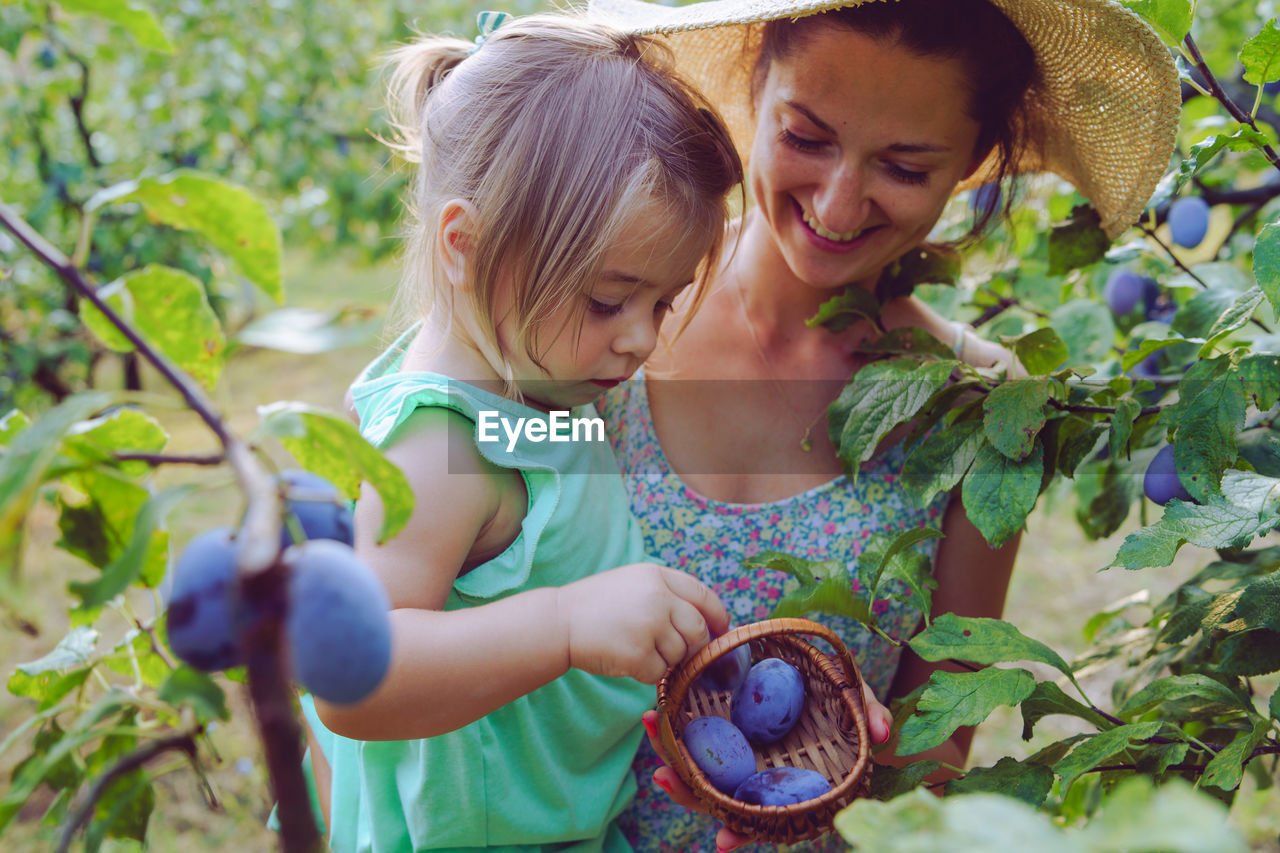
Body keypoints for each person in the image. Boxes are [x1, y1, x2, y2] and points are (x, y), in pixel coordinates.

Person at [585, 0, 1182, 850]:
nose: (837, 200)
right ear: (756, 91)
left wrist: (855, 793)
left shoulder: (980, 408)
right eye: (806, 136)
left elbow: (940, 731)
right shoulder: (604, 314)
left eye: (904, 166)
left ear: (970, 163)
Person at [296, 13, 750, 852]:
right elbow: (352, 682)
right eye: (608, 301)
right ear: (465, 245)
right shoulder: (441, 445)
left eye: (662, 301)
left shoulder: (533, 373)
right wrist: (567, 622)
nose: (642, 339)